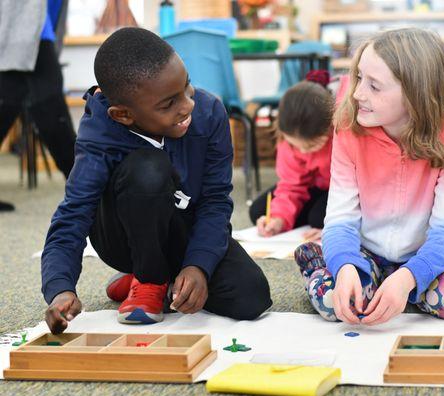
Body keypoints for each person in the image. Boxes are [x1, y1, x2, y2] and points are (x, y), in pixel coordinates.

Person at [42, 27, 272, 333]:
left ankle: (154, 279)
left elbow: (216, 200)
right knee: (149, 169)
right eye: (168, 104)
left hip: (180, 227)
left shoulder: (209, 112)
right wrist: (60, 288)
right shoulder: (99, 136)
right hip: (122, 237)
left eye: (187, 87)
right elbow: (73, 214)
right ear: (123, 115)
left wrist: (198, 265)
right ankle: (147, 278)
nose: (187, 106)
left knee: (250, 297)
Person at [294, 28, 444, 326]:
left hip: (423, 254)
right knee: (335, 303)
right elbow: (340, 220)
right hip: (365, 252)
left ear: (414, 95)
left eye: (374, 86)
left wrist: (407, 279)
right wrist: (344, 267)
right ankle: (320, 261)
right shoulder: (348, 131)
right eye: (359, 78)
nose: (357, 93)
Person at [0, 0, 76, 211]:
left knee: (10, 108)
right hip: (22, 32)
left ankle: (88, 191)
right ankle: (89, 193)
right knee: (53, 114)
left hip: (32, 31)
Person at [248, 72, 334, 242]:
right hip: (312, 187)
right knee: (259, 212)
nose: (302, 151)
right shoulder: (287, 140)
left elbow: (357, 189)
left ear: (331, 127)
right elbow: (291, 185)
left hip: (340, 189)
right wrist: (279, 219)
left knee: (318, 218)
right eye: (295, 145)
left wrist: (337, 228)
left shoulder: (342, 137)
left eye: (311, 146)